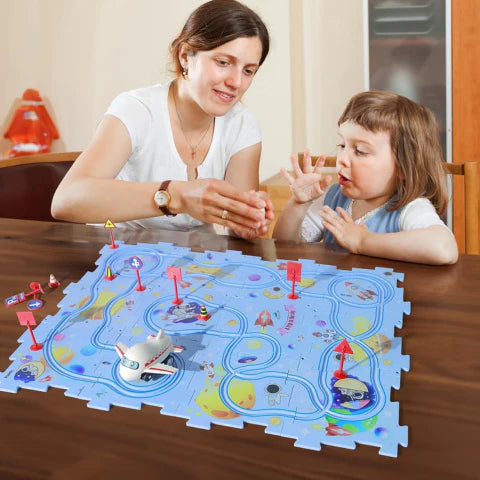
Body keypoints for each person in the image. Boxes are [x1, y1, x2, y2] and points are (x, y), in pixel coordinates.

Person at [52, 0, 273, 240]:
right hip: (118, 256)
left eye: (248, 70)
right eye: (223, 62)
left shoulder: (242, 125)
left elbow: (238, 227)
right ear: (186, 56)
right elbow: (66, 200)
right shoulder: (136, 109)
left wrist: (247, 224)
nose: (237, 82)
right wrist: (176, 195)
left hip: (193, 265)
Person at [273, 90, 458, 265]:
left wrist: (362, 241)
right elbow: (284, 247)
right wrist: (298, 205)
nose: (342, 159)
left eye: (360, 151)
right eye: (342, 145)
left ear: (403, 166)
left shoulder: (410, 207)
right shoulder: (333, 198)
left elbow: (444, 248)